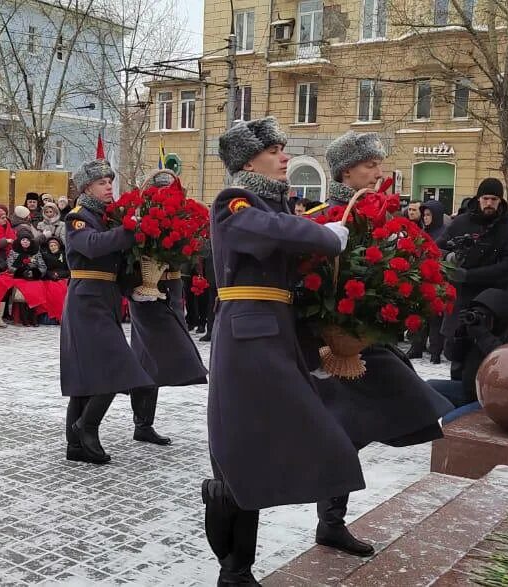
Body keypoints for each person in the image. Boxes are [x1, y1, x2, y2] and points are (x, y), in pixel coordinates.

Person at [201, 117, 360, 585]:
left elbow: (285, 230)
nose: (285, 156)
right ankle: (235, 567)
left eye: (284, 149)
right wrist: (327, 237)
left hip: (275, 334)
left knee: (272, 445)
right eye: (275, 150)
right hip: (248, 339)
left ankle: (317, 525)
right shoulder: (236, 201)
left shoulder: (275, 205)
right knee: (241, 451)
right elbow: (267, 230)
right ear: (249, 160)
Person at [294, 130, 449, 558]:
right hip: (328, 345)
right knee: (343, 429)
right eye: (370, 166)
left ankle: (331, 519)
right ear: (347, 171)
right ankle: (331, 521)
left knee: (369, 418)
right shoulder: (325, 217)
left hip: (363, 342)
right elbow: (302, 280)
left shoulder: (376, 217)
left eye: (379, 165)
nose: (379, 173)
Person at [59, 158, 155, 465]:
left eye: (109, 181)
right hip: (86, 299)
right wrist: (130, 232)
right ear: (87, 186)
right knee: (118, 367)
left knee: (88, 372)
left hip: (104, 297)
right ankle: (86, 426)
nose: (108, 187)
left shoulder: (105, 216)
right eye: (102, 182)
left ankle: (75, 445)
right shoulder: (78, 216)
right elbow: (92, 246)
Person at [125, 174, 208, 447]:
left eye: (169, 190)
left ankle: (143, 423)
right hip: (146, 291)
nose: (166, 195)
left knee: (148, 359)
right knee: (152, 355)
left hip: (170, 290)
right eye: (161, 191)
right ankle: (139, 416)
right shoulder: (140, 218)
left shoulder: (179, 218)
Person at [437, 178, 508, 340]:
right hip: (461, 299)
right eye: (485, 199)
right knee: (456, 353)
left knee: (489, 354)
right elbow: (436, 249)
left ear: (500, 201)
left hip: (493, 301)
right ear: (478, 199)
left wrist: (469, 275)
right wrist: (450, 258)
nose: (489, 203)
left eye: (494, 199)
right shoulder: (461, 222)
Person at [429, 289, 508, 422]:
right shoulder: (474, 329)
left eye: (483, 315)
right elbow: (452, 356)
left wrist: (483, 336)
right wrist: (460, 334)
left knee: (450, 421)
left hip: (497, 399)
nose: (478, 319)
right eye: (474, 313)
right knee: (427, 388)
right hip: (471, 390)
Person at [408, 198, 450, 361]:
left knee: (435, 317)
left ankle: (435, 351)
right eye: (424, 214)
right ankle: (416, 347)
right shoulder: (422, 232)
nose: (425, 217)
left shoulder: (444, 233)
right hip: (421, 278)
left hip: (438, 279)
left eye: (428, 214)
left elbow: (447, 254)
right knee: (419, 315)